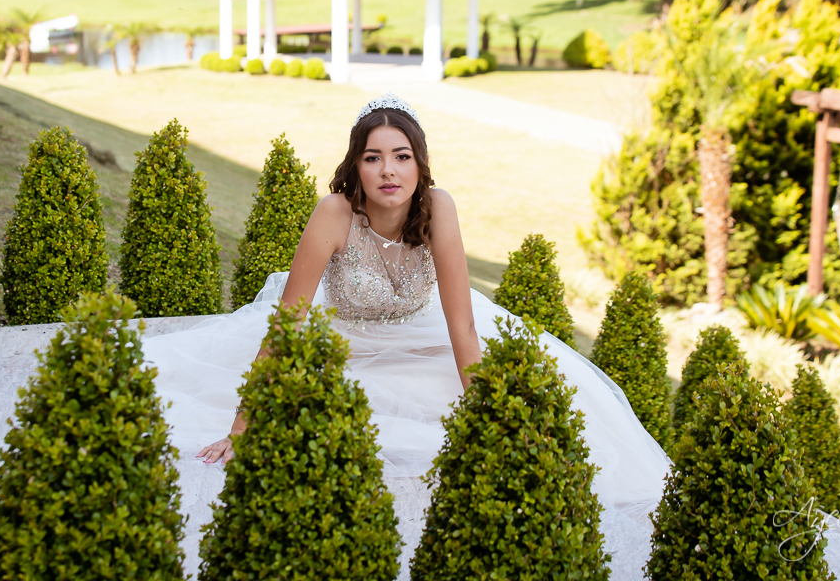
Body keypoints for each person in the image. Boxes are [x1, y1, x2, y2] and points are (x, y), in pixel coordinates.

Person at [139, 94, 670, 534]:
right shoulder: (335, 214)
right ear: (356, 165)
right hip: (342, 344)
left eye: (401, 156)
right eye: (372, 157)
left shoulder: (439, 207)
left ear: (419, 163)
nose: (388, 170)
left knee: (520, 406)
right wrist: (242, 426)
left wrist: (488, 422)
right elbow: (288, 326)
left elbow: (461, 325)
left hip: (423, 338)